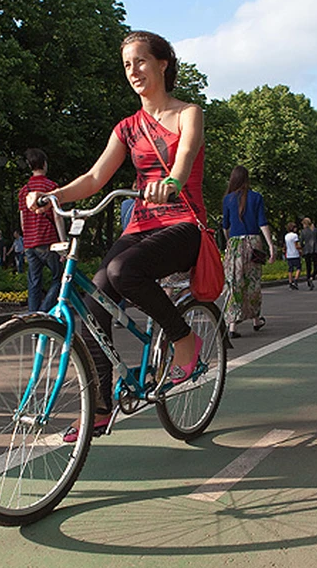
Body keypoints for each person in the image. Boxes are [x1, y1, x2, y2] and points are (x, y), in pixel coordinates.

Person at [25, 31, 205, 443]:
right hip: (141, 224)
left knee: (124, 270)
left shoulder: (187, 113)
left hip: (183, 224)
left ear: (162, 63)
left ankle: (184, 340)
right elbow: (94, 178)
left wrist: (172, 181)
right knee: (92, 304)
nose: (134, 71)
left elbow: (186, 153)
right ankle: (101, 408)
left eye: (141, 61)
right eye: (127, 65)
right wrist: (53, 195)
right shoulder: (127, 128)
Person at [222, 165, 275, 338]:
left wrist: (230, 241)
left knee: (234, 282)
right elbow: (262, 223)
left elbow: (226, 226)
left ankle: (232, 326)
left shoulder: (228, 199)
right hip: (253, 243)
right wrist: (271, 246)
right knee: (253, 282)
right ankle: (256, 319)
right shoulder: (256, 197)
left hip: (235, 244)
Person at [18, 148, 66, 313]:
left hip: (30, 243)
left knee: (34, 283)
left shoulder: (24, 191)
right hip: (48, 241)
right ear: (44, 164)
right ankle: (43, 314)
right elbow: (58, 217)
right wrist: (63, 243)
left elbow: (23, 222)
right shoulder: (51, 187)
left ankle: (33, 321)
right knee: (59, 278)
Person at [300, 217, 317, 290]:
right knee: (316, 266)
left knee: (308, 266)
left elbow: (301, 242)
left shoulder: (303, 232)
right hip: (315, 250)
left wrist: (303, 248)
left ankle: (308, 279)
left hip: (307, 251)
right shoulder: (316, 230)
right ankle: (312, 277)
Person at [284, 222, 302, 289]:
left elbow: (286, 245)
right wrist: (301, 248)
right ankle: (296, 280)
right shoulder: (295, 236)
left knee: (290, 269)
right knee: (298, 268)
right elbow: (296, 245)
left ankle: (290, 282)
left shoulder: (286, 236)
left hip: (289, 254)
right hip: (295, 254)